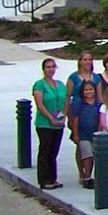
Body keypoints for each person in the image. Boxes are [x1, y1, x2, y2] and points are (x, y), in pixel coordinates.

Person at [31, 57, 68, 190]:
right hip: (44, 123)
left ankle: (53, 177)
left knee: (54, 151)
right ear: (43, 69)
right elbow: (40, 104)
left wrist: (63, 116)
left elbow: (66, 101)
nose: (51, 69)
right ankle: (44, 179)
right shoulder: (39, 85)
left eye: (53, 67)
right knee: (45, 150)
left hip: (59, 122)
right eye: (48, 67)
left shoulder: (60, 84)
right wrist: (50, 118)